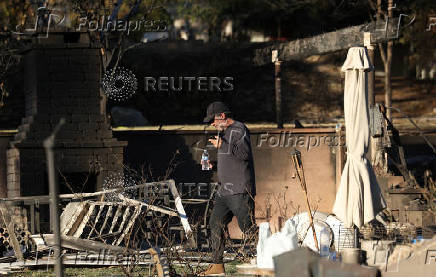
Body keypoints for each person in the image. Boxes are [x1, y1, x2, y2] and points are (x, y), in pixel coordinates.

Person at [199, 101, 256, 276]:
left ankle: (269, 258)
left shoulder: (238, 129)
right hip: (225, 192)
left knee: (248, 228)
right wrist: (213, 164)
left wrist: (222, 145)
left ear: (222, 116)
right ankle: (217, 265)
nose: (212, 124)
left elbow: (244, 154)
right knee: (215, 223)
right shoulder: (226, 134)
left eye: (213, 120)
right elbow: (232, 159)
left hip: (239, 190)